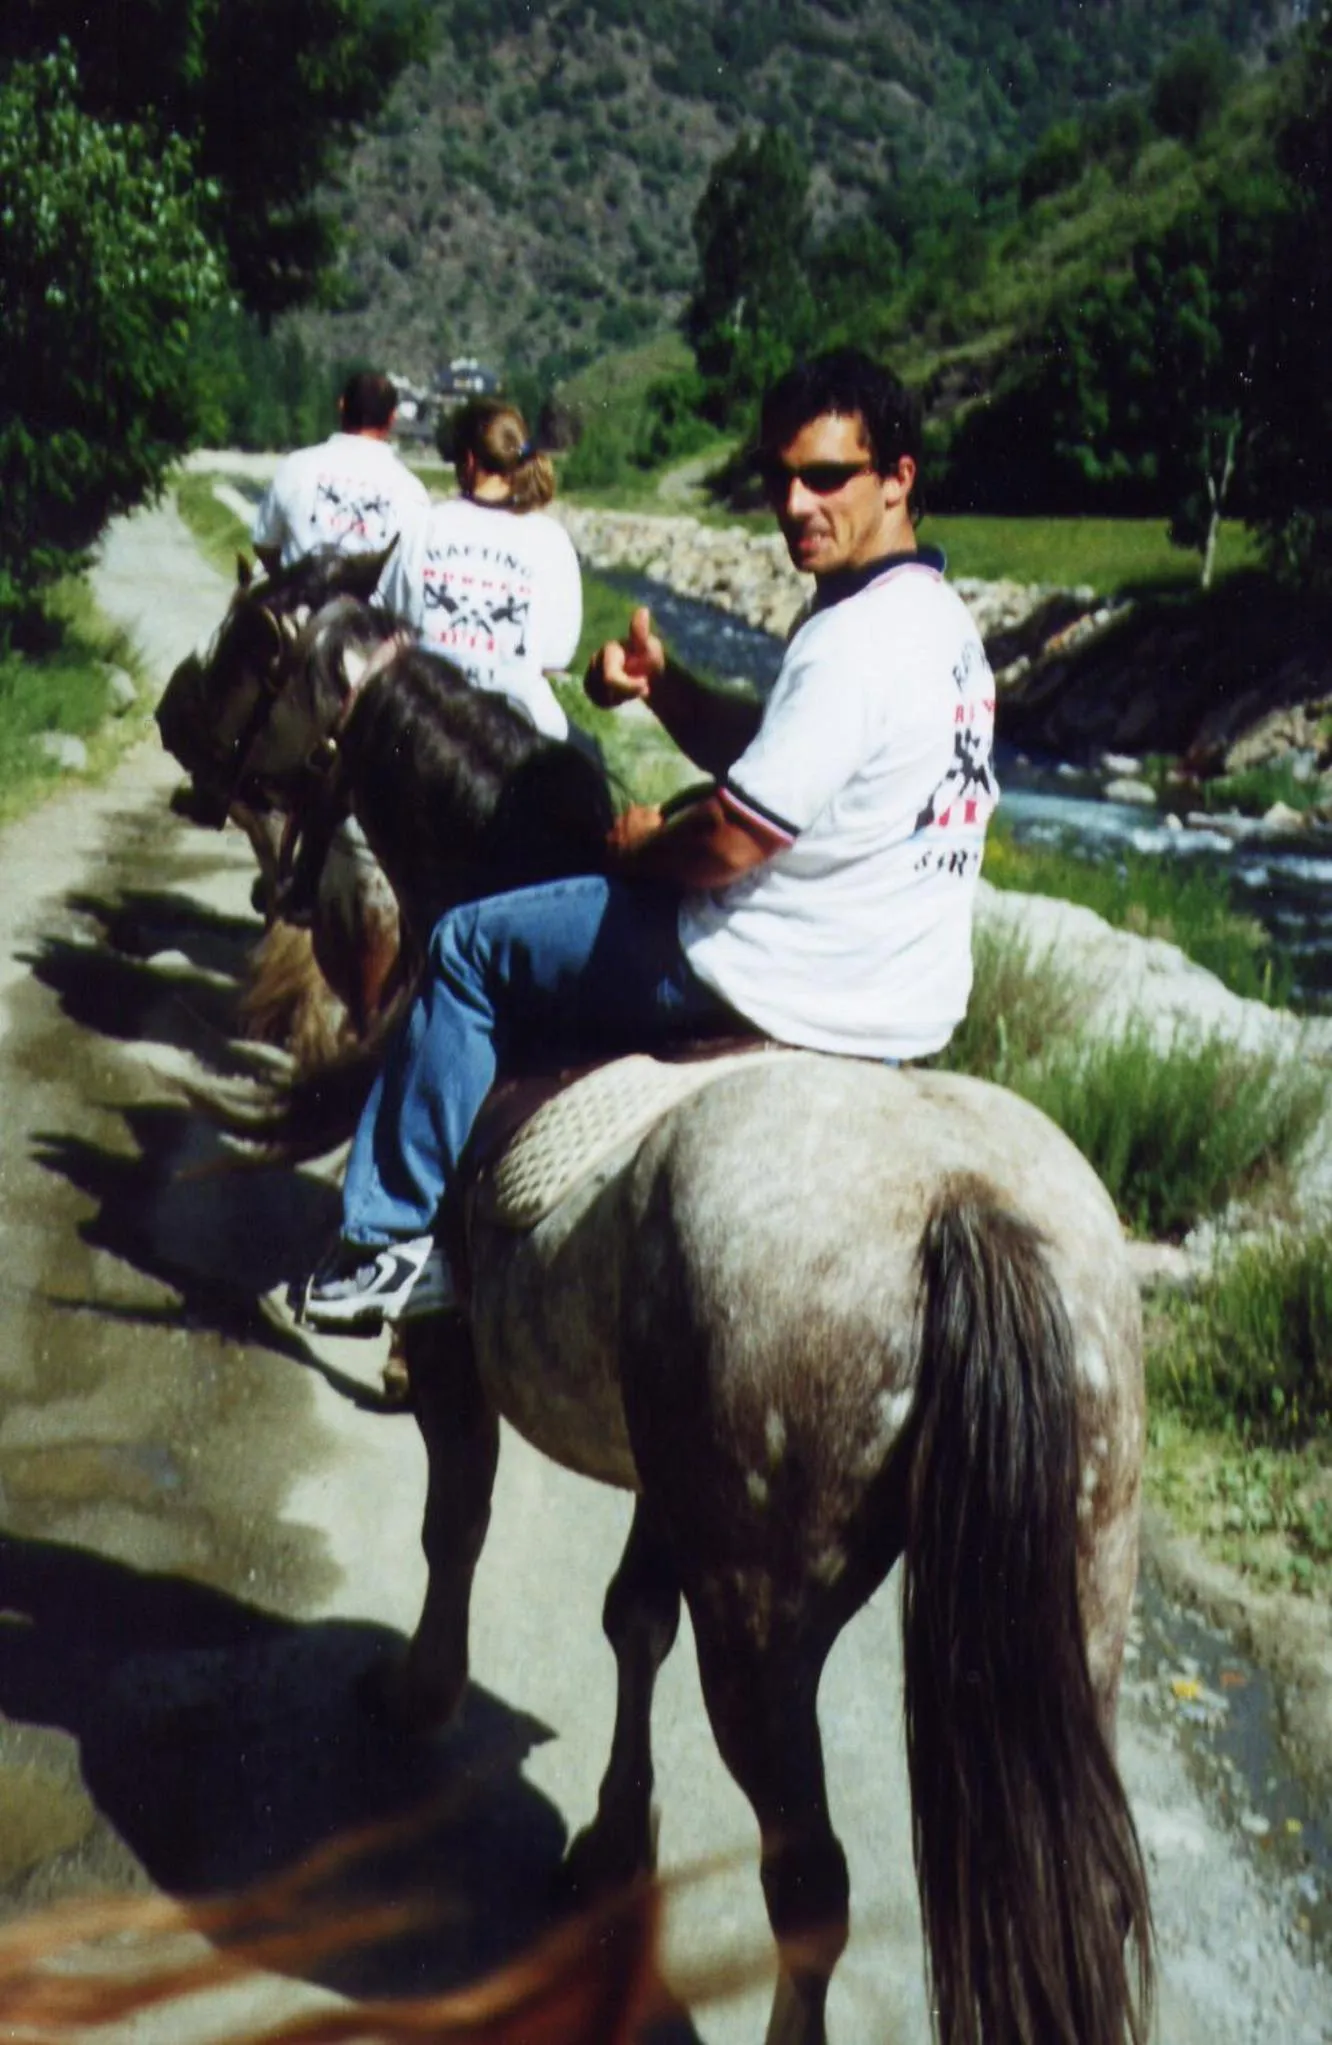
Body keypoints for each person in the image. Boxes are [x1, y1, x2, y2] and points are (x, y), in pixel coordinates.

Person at [297, 348, 1000, 1333]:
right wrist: (663, 687)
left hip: (779, 968)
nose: (796, 503)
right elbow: (775, 750)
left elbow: (730, 842)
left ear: (899, 478)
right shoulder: (939, 623)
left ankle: (388, 1239)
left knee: (465, 946)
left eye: (827, 476)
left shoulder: (855, 640)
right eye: (780, 478)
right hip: (906, 994)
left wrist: (637, 847)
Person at [374, 398, 582, 741]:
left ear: (468, 461)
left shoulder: (425, 524)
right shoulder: (553, 540)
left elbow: (387, 618)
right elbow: (557, 656)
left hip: (426, 720)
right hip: (521, 727)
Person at [250, 370, 429, 573]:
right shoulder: (411, 492)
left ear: (342, 405)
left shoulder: (295, 468)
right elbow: (411, 572)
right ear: (392, 418)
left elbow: (264, 543)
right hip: (368, 603)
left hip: (300, 599)